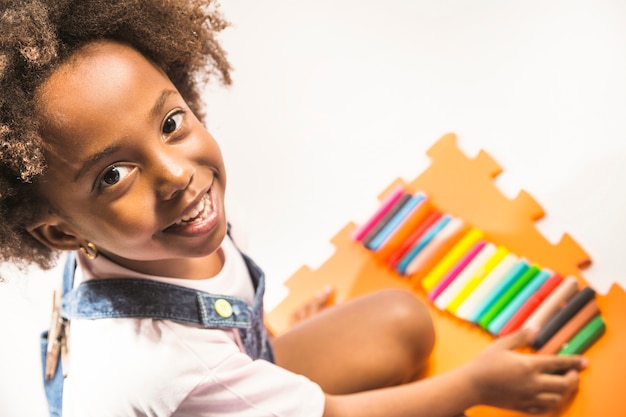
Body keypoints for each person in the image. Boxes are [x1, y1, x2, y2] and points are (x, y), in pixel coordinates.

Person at [0, 1, 586, 416]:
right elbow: (334, 414)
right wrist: (475, 385)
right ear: (59, 231)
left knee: (402, 323)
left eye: (171, 123)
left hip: (210, 387)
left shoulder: (175, 224)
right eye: (113, 175)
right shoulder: (162, 364)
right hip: (192, 396)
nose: (176, 174)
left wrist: (264, 332)